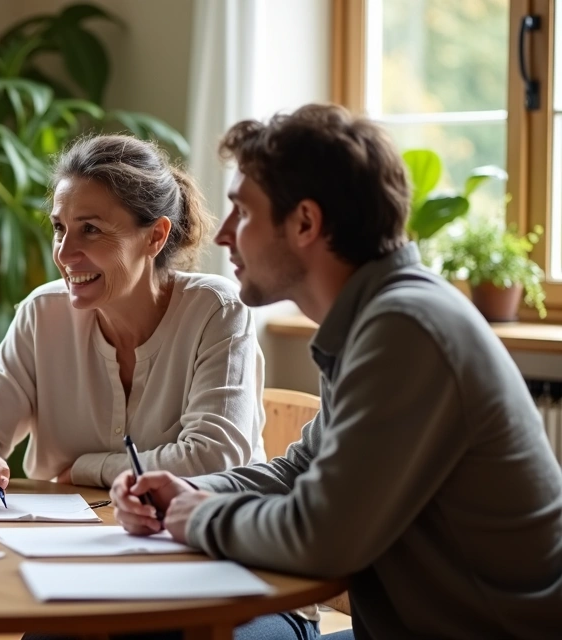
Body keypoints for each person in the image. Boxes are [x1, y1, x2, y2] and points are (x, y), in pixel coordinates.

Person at [112, 104, 562, 639]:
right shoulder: (376, 319)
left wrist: (197, 516)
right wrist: (185, 489)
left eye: (243, 213)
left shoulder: (406, 330)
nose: (224, 234)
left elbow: (322, 536)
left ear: (306, 222)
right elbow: (300, 472)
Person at [0, 134, 266, 500]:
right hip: (62, 531)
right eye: (59, 228)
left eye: (90, 229)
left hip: (197, 531)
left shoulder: (216, 311)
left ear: (155, 236)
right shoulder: (43, 314)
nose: (64, 254)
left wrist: (85, 469)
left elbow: (213, 460)